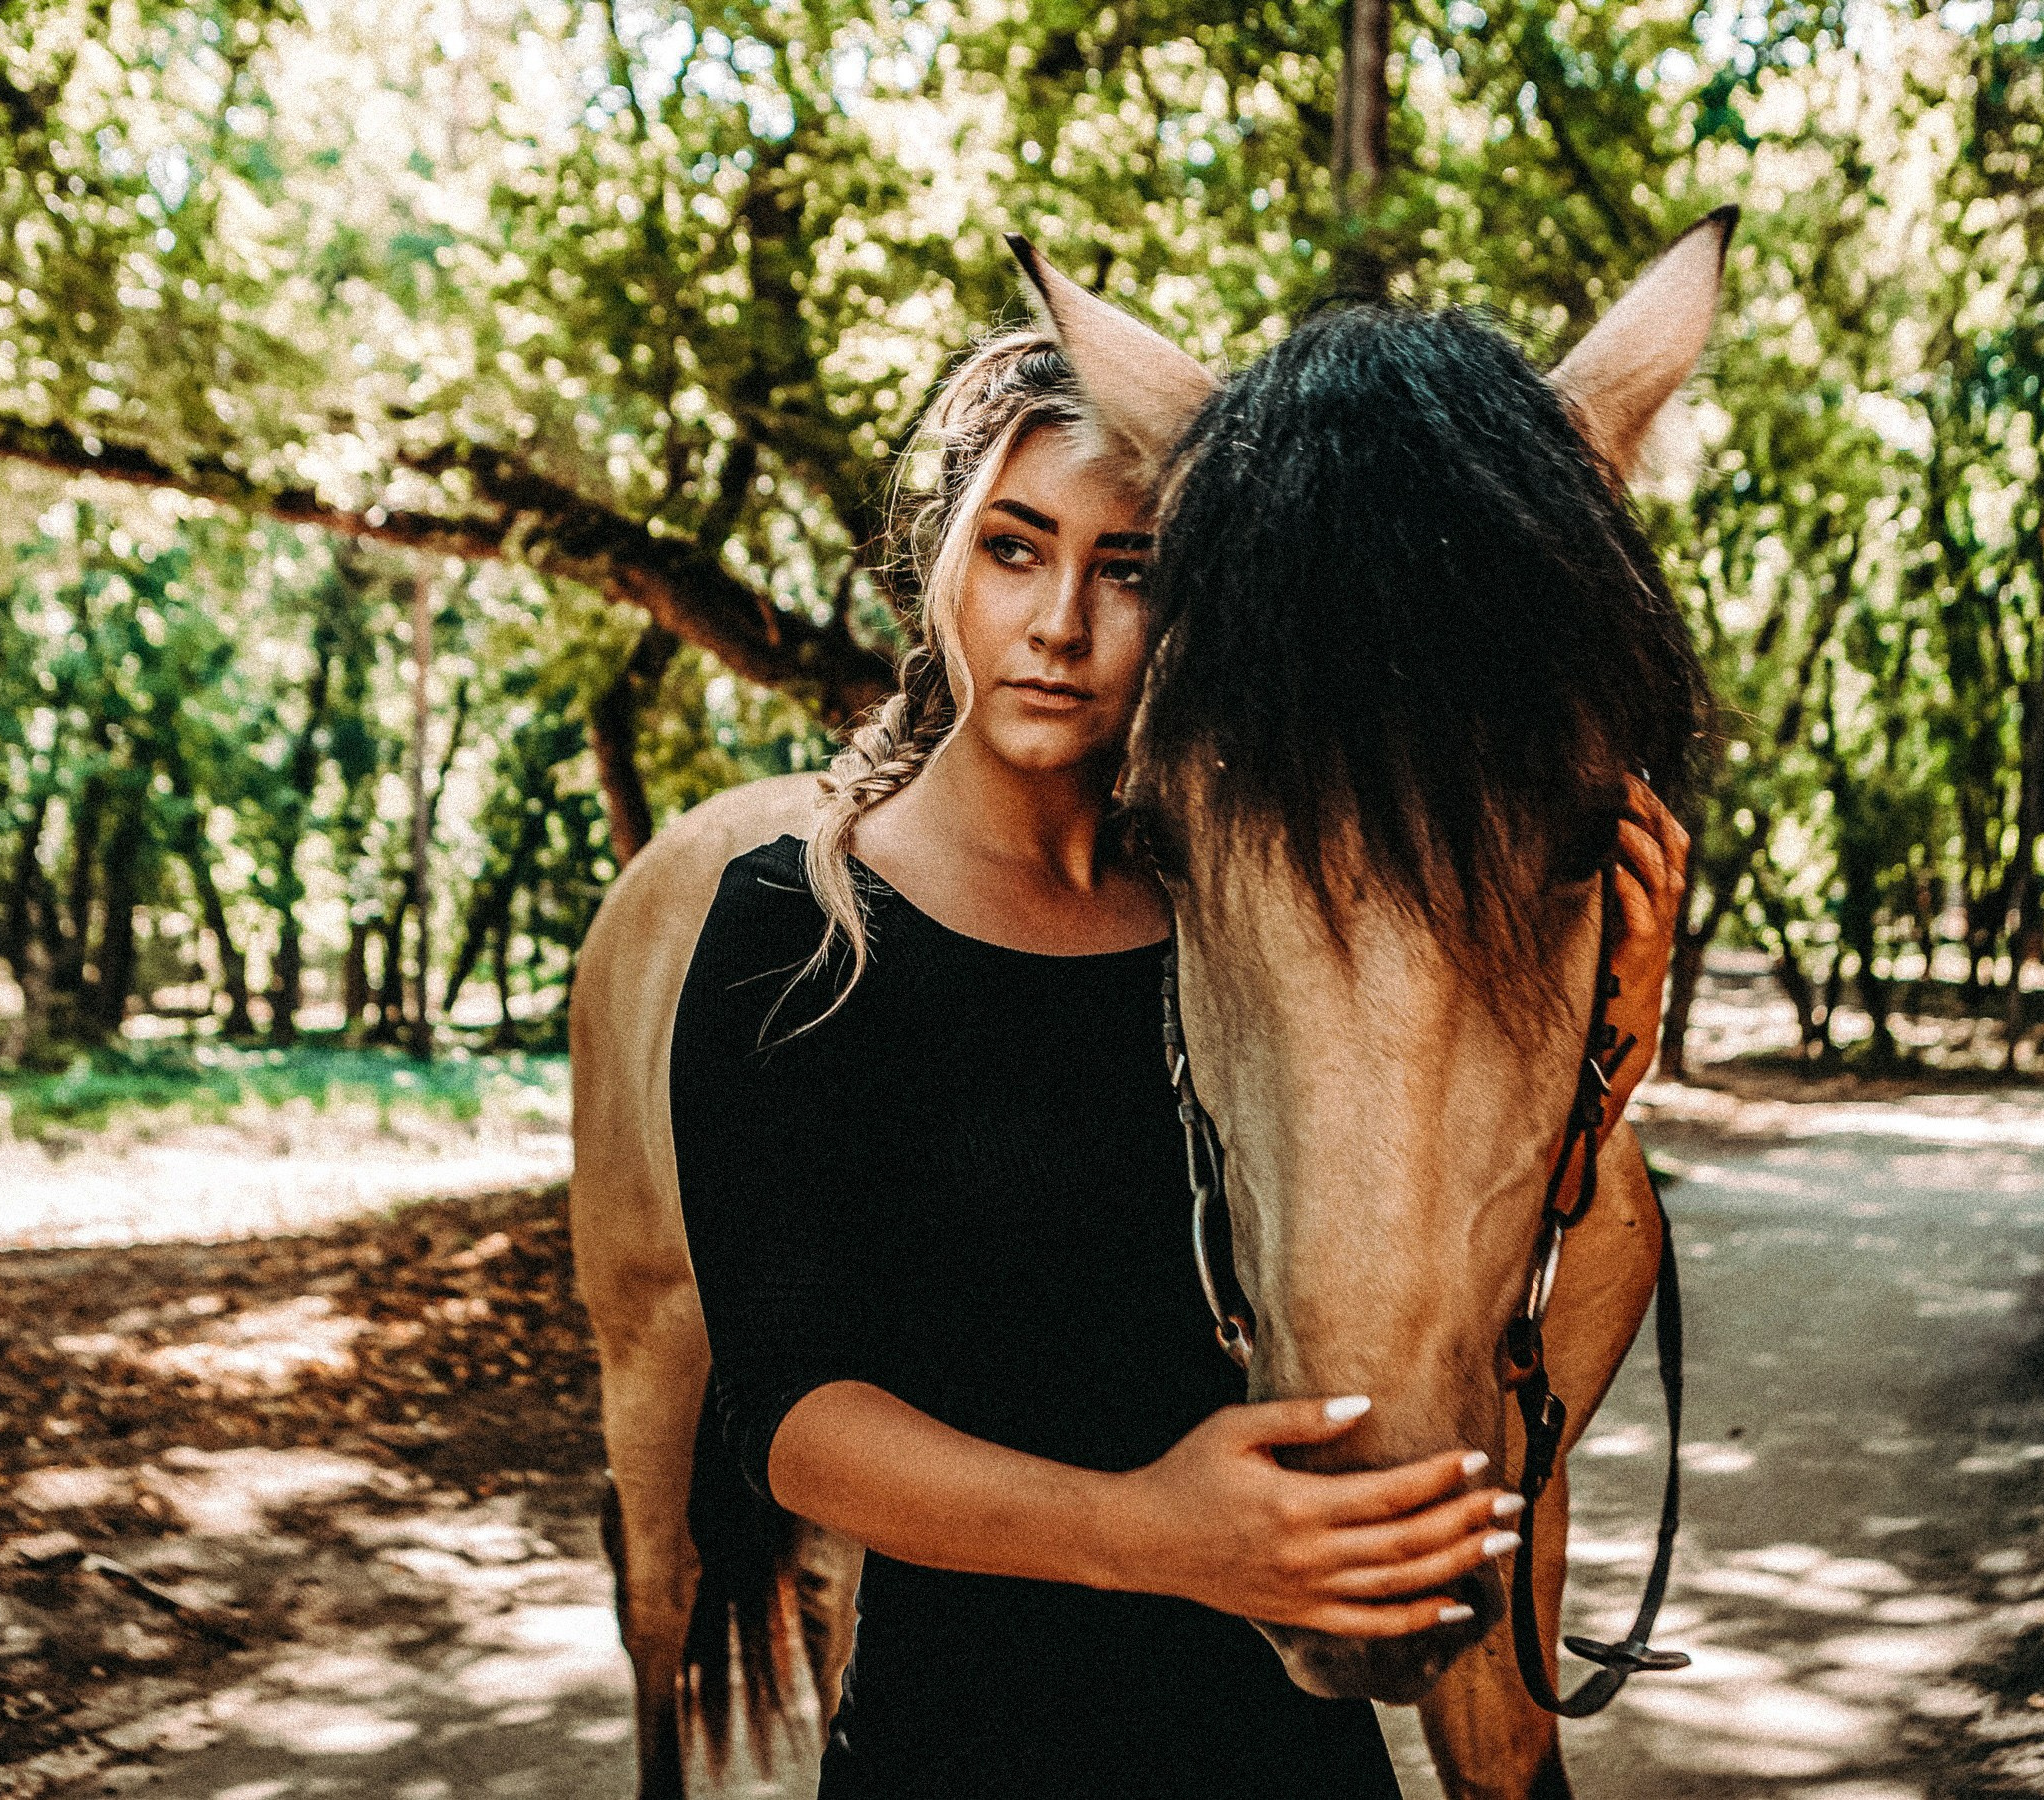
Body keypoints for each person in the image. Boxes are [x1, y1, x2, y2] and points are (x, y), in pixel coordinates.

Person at [669, 331, 1685, 1796]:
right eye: (1015, 550)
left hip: (1290, 1762)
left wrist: (1603, 1056)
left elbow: (1520, 1373)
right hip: (966, 1748)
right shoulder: (794, 926)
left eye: (1130, 567)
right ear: (946, 564)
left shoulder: (1259, 920)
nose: (1062, 621)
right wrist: (1152, 1530)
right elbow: (789, 1418)